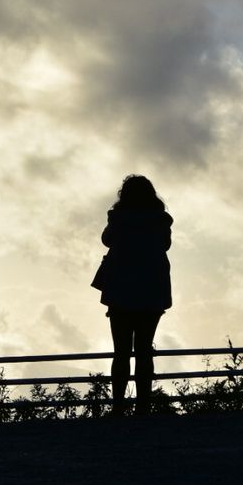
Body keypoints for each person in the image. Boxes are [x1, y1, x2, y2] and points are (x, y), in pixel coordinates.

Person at [95, 174, 172, 415]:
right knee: (144, 350)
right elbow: (165, 245)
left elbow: (106, 240)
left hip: (121, 291)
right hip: (151, 290)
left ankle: (118, 406)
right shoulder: (161, 220)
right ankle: (143, 406)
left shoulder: (118, 218)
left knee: (121, 352)